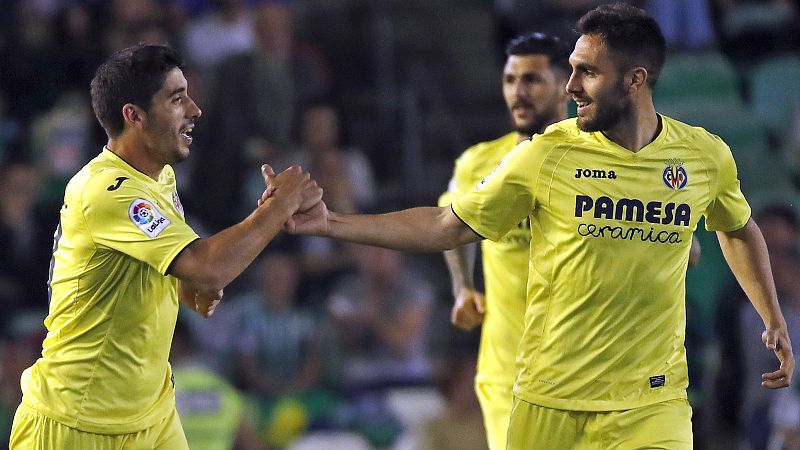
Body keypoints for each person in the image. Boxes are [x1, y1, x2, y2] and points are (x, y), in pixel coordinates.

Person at [272, 3, 794, 448]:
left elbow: (737, 228)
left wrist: (771, 315)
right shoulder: (547, 155)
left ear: (635, 80)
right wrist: (332, 221)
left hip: (651, 402)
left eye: (587, 72)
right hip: (551, 401)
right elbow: (446, 225)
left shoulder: (703, 156)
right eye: (570, 70)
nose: (570, 86)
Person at [9, 44, 321, 449]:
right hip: (77, 423)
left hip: (152, 416)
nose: (195, 109)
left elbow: (152, 268)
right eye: (176, 99)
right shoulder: (107, 190)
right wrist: (280, 206)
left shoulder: (161, 178)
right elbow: (207, 266)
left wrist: (185, 288)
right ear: (134, 116)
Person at [437, 31, 571, 450]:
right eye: (510, 80)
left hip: (586, 373)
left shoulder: (604, 163)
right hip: (507, 376)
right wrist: (463, 286)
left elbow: (682, 246)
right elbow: (450, 227)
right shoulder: (479, 163)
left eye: (532, 80)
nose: (518, 92)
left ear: (565, 86)